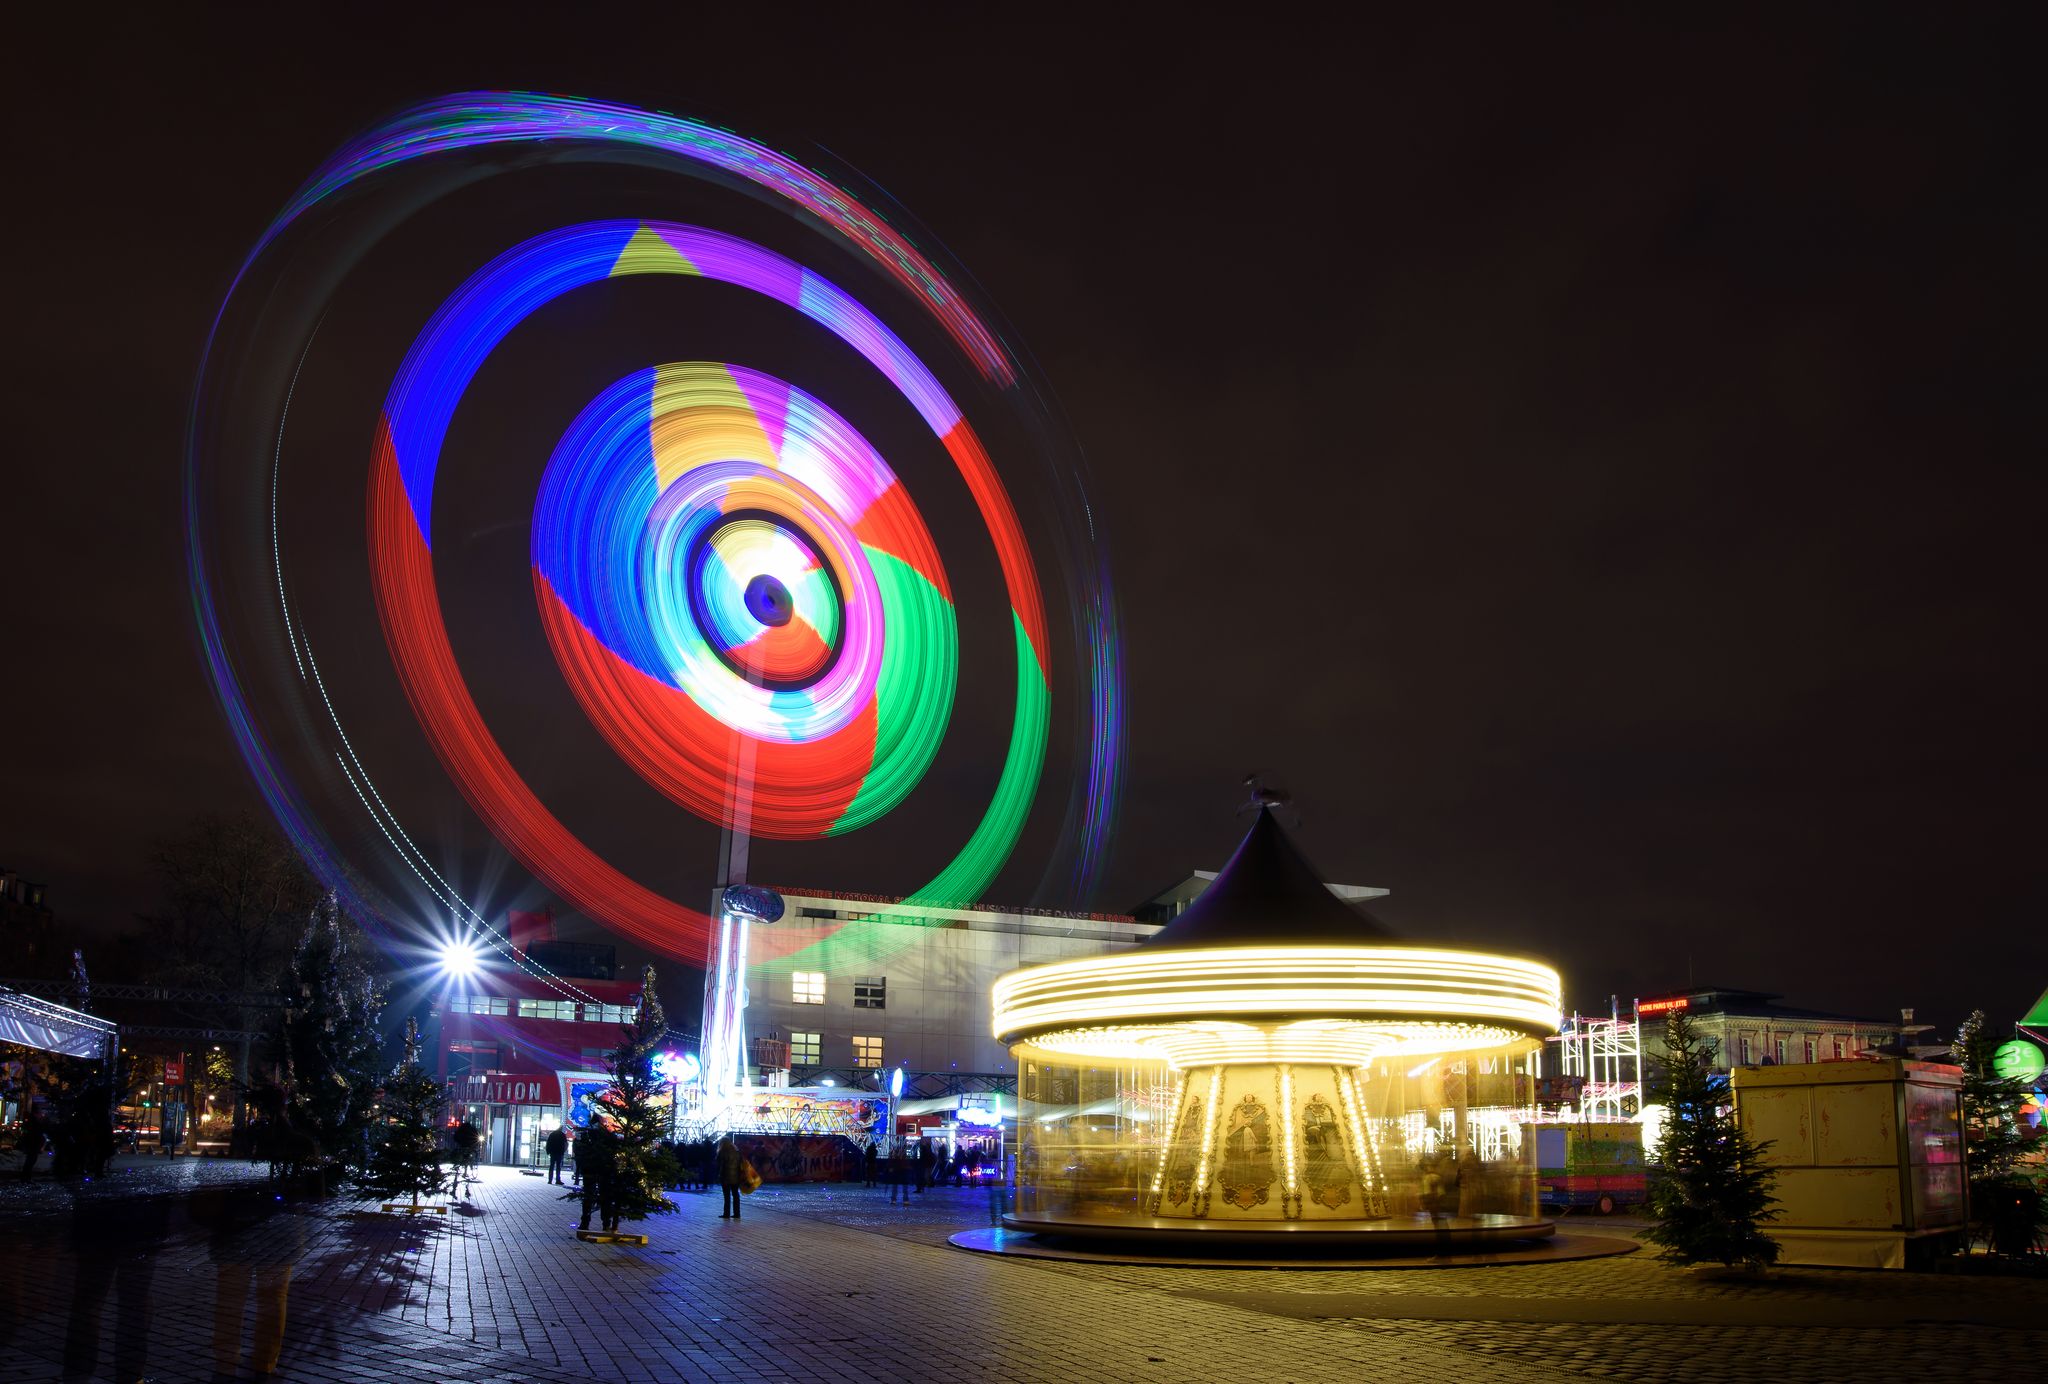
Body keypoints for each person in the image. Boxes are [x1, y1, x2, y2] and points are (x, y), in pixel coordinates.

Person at [715, 1134, 745, 1220]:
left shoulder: (722, 1152)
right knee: (736, 1195)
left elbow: (718, 1164)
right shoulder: (737, 1152)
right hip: (736, 1176)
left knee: (726, 1196)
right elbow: (741, 1164)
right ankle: (737, 1213)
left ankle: (726, 1213)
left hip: (725, 1176)